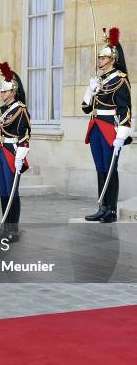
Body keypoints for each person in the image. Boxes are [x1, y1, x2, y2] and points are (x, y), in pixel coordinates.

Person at [82, 27, 132, 223]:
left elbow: (125, 108)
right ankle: (102, 206)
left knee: (111, 169)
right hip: (95, 127)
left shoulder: (120, 80)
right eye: (99, 58)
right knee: (100, 168)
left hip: (110, 128)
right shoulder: (99, 80)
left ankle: (111, 210)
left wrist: (122, 133)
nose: (99, 61)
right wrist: (90, 91)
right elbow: (86, 108)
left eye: (102, 58)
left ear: (112, 60)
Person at [0, 62, 31, 242]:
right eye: (1, 91)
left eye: (5, 91)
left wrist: (22, 153)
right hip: (0, 150)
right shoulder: (3, 110)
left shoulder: (20, 109)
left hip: (13, 151)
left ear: (13, 91)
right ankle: (6, 227)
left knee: (13, 191)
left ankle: (14, 229)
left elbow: (26, 132)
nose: (2, 94)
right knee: (3, 191)